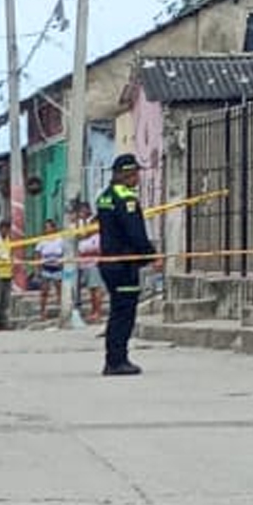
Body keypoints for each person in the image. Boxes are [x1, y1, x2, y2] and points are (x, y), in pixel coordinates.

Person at [95, 153, 159, 376]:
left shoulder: (105, 196)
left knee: (117, 311)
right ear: (126, 174)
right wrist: (151, 255)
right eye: (135, 174)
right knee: (124, 314)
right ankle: (116, 360)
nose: (137, 179)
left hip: (110, 262)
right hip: (124, 265)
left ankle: (115, 358)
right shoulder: (126, 199)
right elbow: (135, 234)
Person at [35, 218, 64, 319]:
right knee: (44, 291)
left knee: (59, 290)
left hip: (57, 268)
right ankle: (42, 312)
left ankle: (62, 310)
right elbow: (38, 254)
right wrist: (38, 268)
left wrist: (62, 263)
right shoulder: (42, 240)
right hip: (46, 267)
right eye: (46, 227)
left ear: (54, 228)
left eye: (49, 227)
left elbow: (64, 252)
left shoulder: (60, 239)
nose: (47, 229)